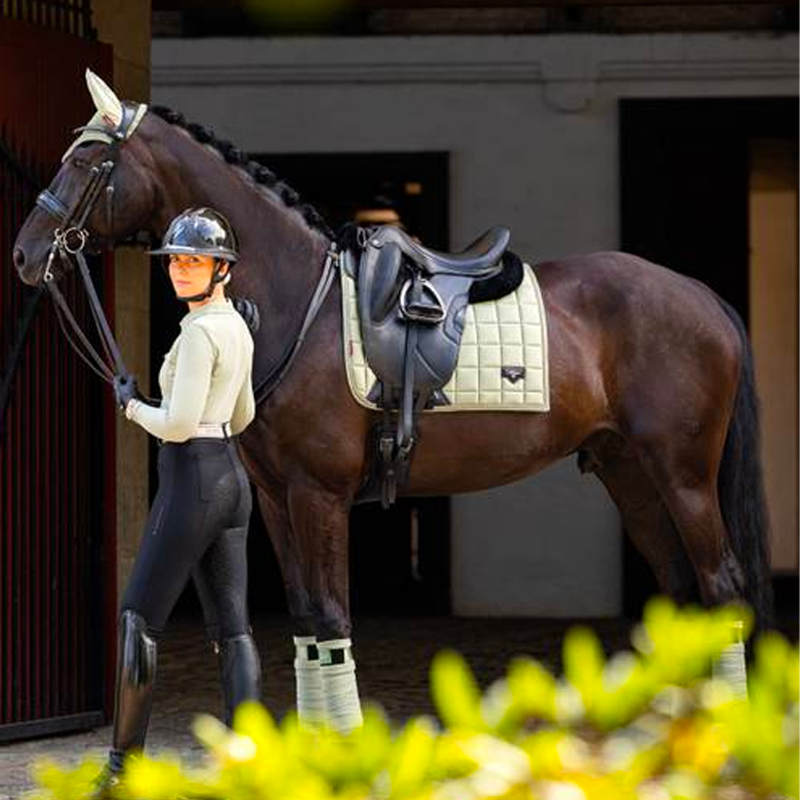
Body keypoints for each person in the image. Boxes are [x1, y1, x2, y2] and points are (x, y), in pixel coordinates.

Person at [96, 207, 260, 791]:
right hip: (231, 479)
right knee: (233, 628)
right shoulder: (237, 326)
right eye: (176, 261)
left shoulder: (197, 333)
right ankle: (251, 769)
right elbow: (244, 414)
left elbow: (180, 423)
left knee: (138, 618)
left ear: (222, 270)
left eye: (195, 261)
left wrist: (130, 404)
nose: (181, 270)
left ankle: (121, 772)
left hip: (193, 477)